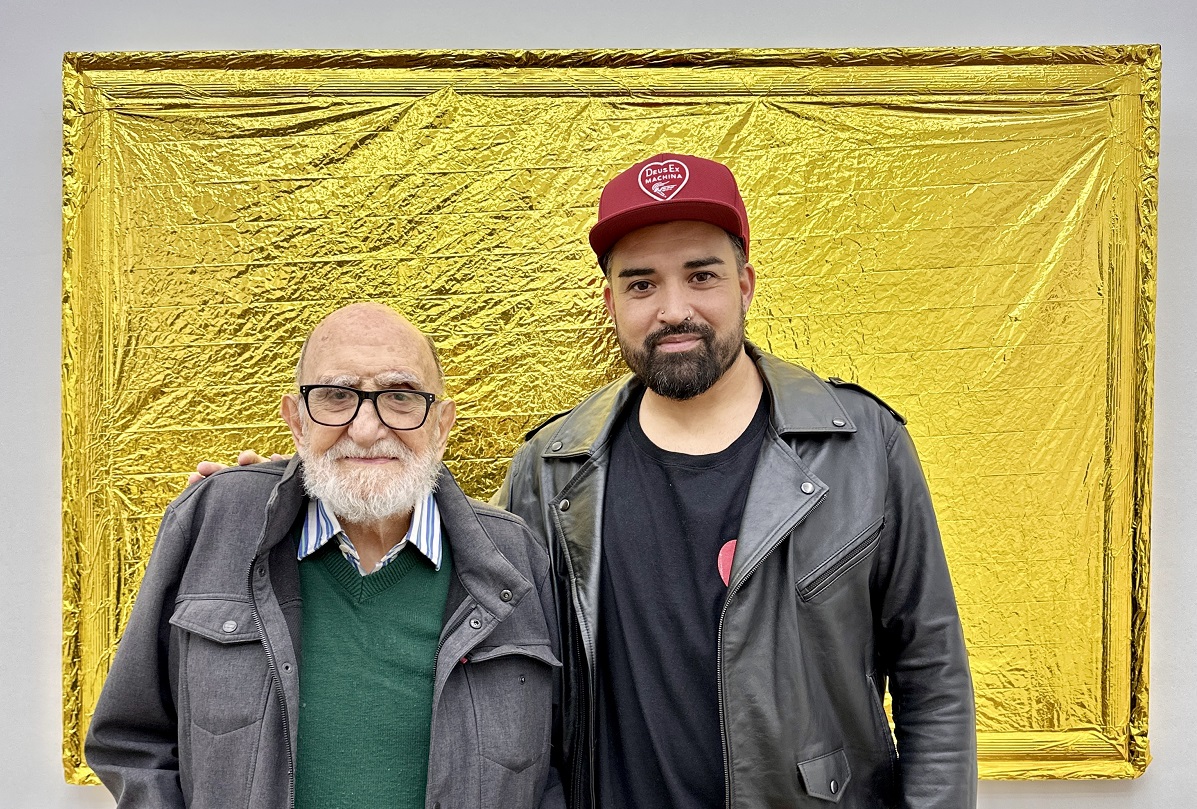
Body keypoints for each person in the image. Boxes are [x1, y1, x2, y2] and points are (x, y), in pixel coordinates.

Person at [494, 154, 977, 808]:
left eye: (702, 276)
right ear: (610, 302)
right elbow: (515, 692)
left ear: (745, 285)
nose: (673, 310)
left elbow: (933, 675)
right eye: (641, 284)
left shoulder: (863, 446)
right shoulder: (550, 467)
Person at [86, 303, 564, 809]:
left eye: (401, 396)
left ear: (441, 425)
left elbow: (560, 769)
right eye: (336, 396)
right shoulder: (213, 521)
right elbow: (132, 742)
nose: (366, 430)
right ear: (296, 420)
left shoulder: (515, 559)